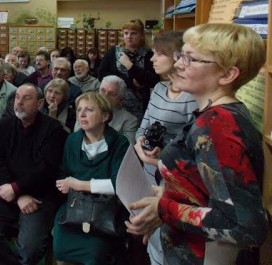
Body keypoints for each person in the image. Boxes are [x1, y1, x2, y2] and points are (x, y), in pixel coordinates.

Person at [127, 24, 268, 265]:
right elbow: (207, 192)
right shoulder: (212, 115)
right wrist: (171, 193)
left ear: (226, 75)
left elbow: (243, 225)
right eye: (181, 54)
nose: (179, 63)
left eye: (190, 58)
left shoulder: (218, 125)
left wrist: (165, 208)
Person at [0, 84, 67, 265]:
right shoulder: (3, 125)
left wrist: (17, 189)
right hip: (7, 189)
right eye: (17, 97)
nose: (19, 102)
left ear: (40, 103)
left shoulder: (54, 129)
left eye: (26, 98)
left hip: (39, 195)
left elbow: (46, 169)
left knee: (31, 248)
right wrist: (17, 194)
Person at [133, 31, 198, 265]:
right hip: (149, 172)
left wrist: (163, 155)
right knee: (153, 242)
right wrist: (140, 148)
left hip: (174, 177)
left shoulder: (193, 96)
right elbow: (144, 124)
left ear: (177, 57)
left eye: (159, 53)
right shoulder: (159, 88)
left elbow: (192, 145)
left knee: (171, 241)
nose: (152, 58)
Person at [53, 91, 130, 265]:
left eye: (89, 109)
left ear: (105, 116)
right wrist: (65, 184)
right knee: (60, 250)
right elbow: (63, 173)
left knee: (95, 255)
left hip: (105, 211)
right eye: (79, 109)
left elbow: (118, 184)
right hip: (75, 206)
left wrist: (77, 184)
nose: (82, 114)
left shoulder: (120, 143)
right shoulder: (72, 140)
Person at [98, 19, 159, 119]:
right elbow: (101, 74)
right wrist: (128, 81)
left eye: (133, 33)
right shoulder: (113, 52)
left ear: (142, 35)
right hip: (114, 103)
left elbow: (153, 80)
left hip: (140, 106)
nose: (129, 36)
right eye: (126, 33)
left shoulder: (149, 55)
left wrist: (130, 66)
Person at [75, 75, 138, 145]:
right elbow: (77, 139)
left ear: (120, 100)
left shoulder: (130, 120)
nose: (104, 96)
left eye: (111, 94)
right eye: (102, 91)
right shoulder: (84, 111)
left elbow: (127, 147)